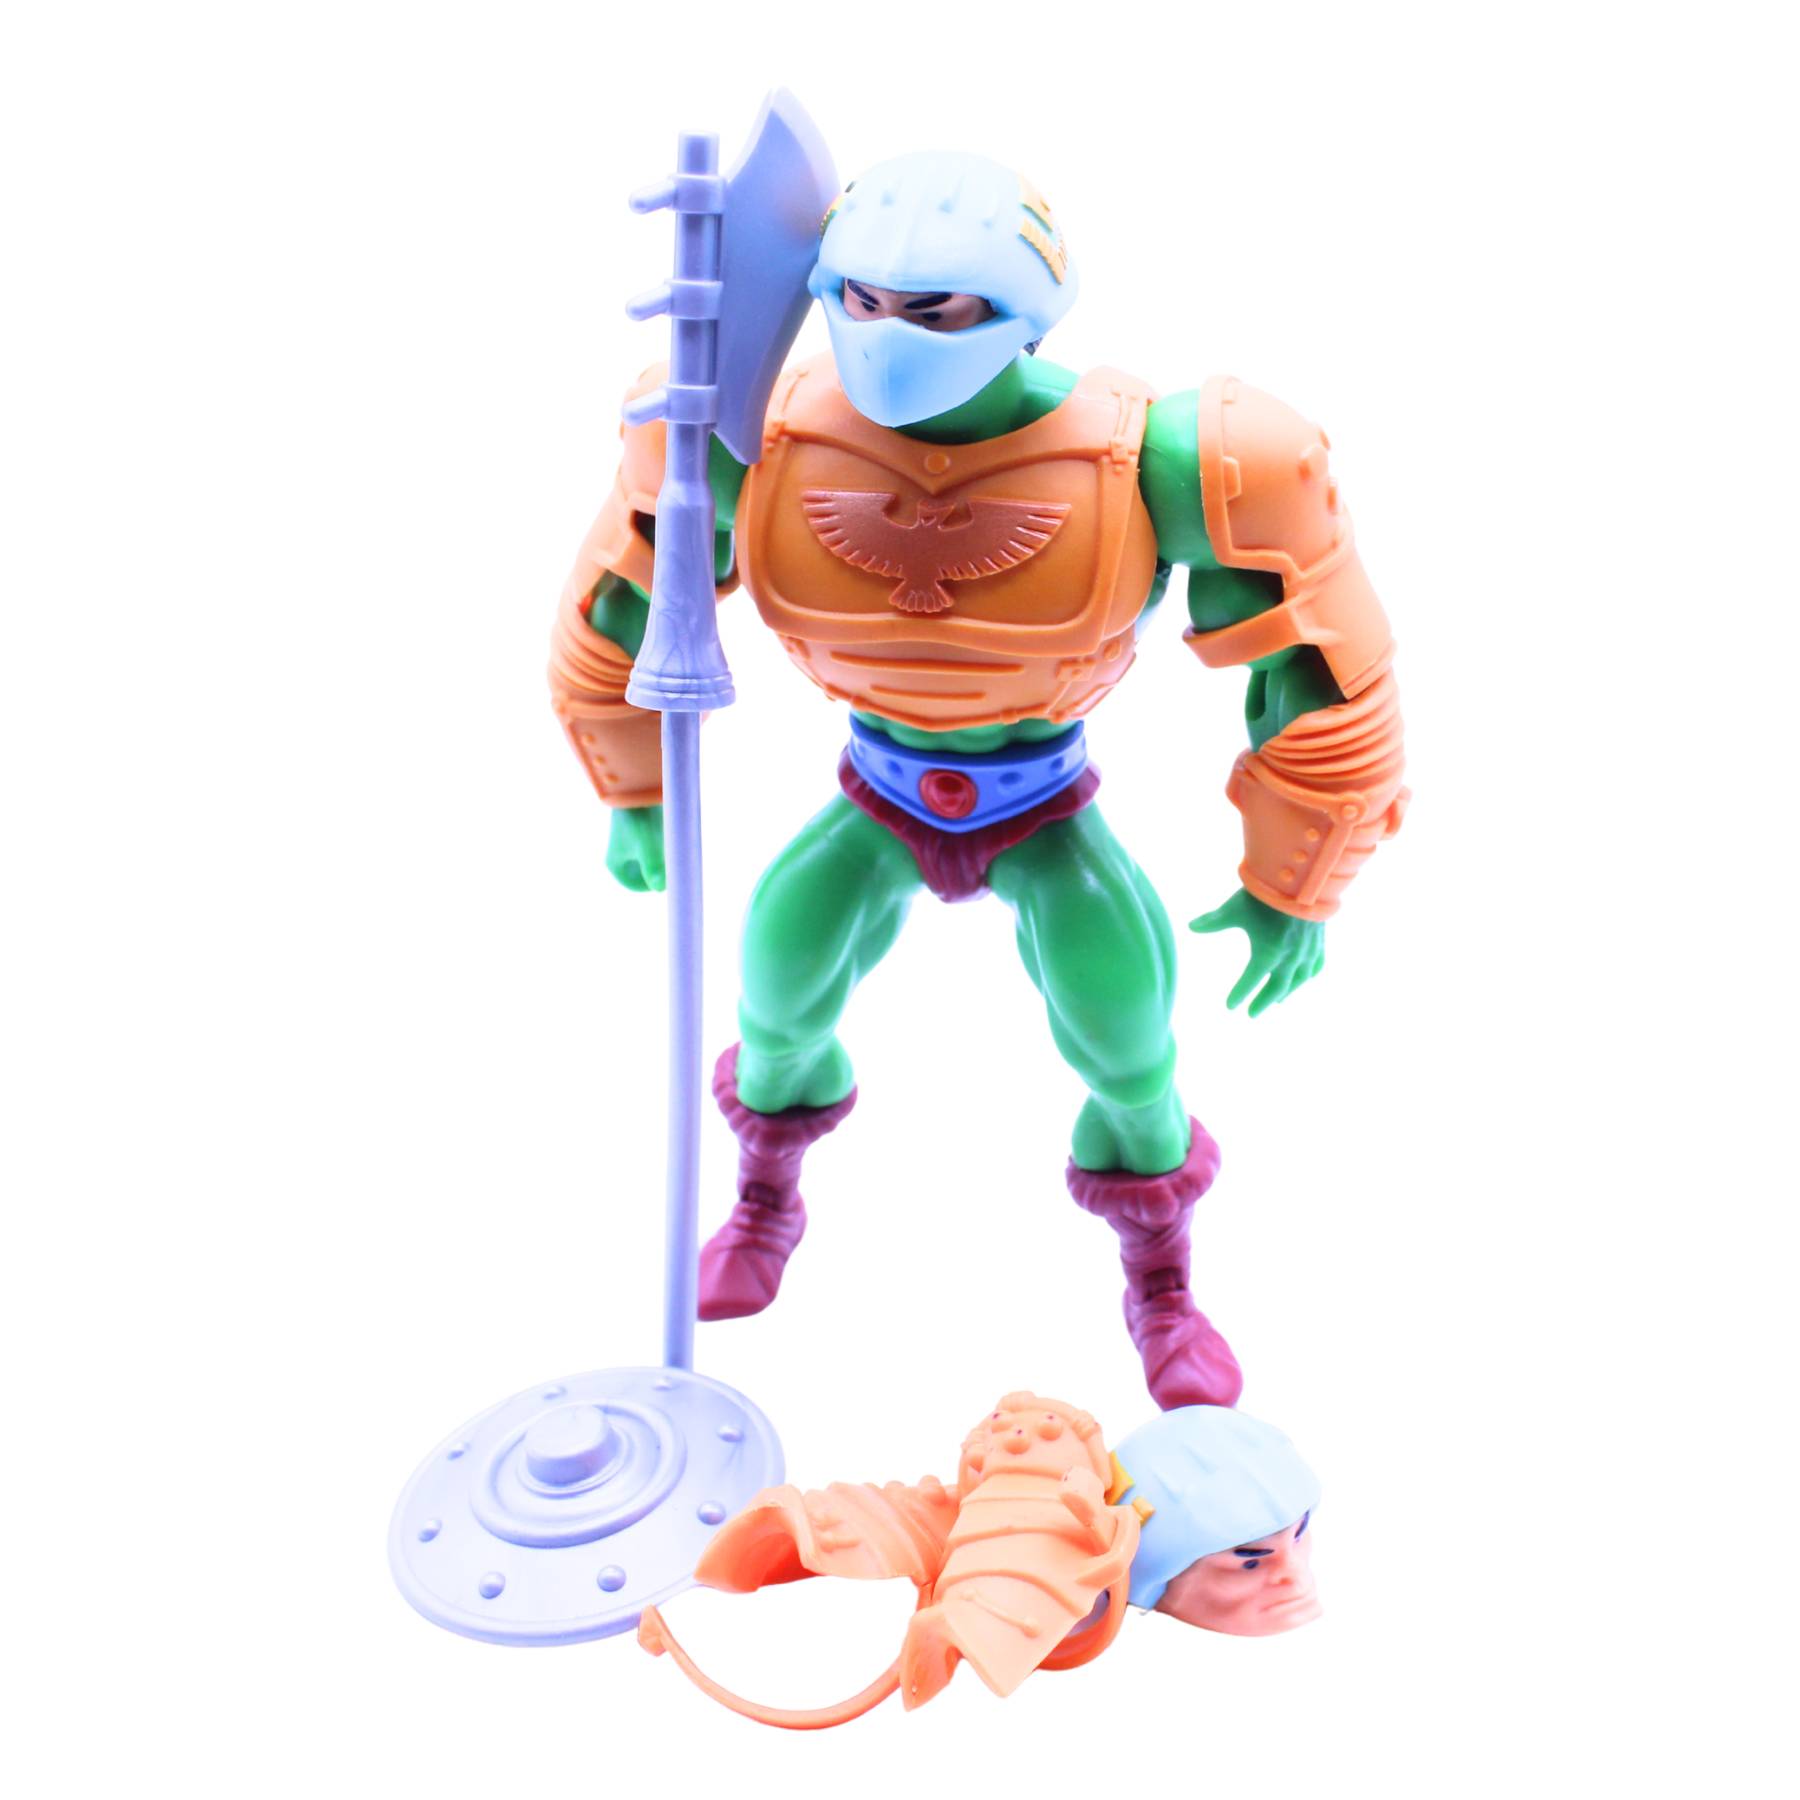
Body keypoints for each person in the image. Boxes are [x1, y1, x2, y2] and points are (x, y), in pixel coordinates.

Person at [550, 150, 1406, 1408]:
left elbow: (1320, 669)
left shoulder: (1171, 462)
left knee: (1130, 1055)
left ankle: (1163, 1281)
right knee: (776, 1003)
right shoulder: (741, 434)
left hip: (1042, 808)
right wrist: (630, 790)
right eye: (862, 300)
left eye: (935, 309)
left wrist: (1300, 880)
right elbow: (619, 605)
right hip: (877, 795)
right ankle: (765, 1203)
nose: (889, 334)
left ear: (1024, 310)